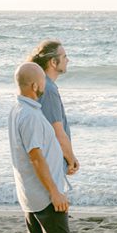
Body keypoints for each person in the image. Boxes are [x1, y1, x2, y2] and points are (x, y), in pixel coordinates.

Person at [8, 62, 72, 233]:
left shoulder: (17, 110)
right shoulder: (31, 116)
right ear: (35, 86)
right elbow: (36, 157)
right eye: (43, 80)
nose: (46, 83)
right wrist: (55, 191)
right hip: (44, 192)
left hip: (29, 193)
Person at [29, 40, 80, 179]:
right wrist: (71, 160)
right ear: (53, 62)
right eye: (64, 57)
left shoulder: (40, 84)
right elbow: (58, 133)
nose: (68, 60)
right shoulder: (49, 89)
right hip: (50, 165)